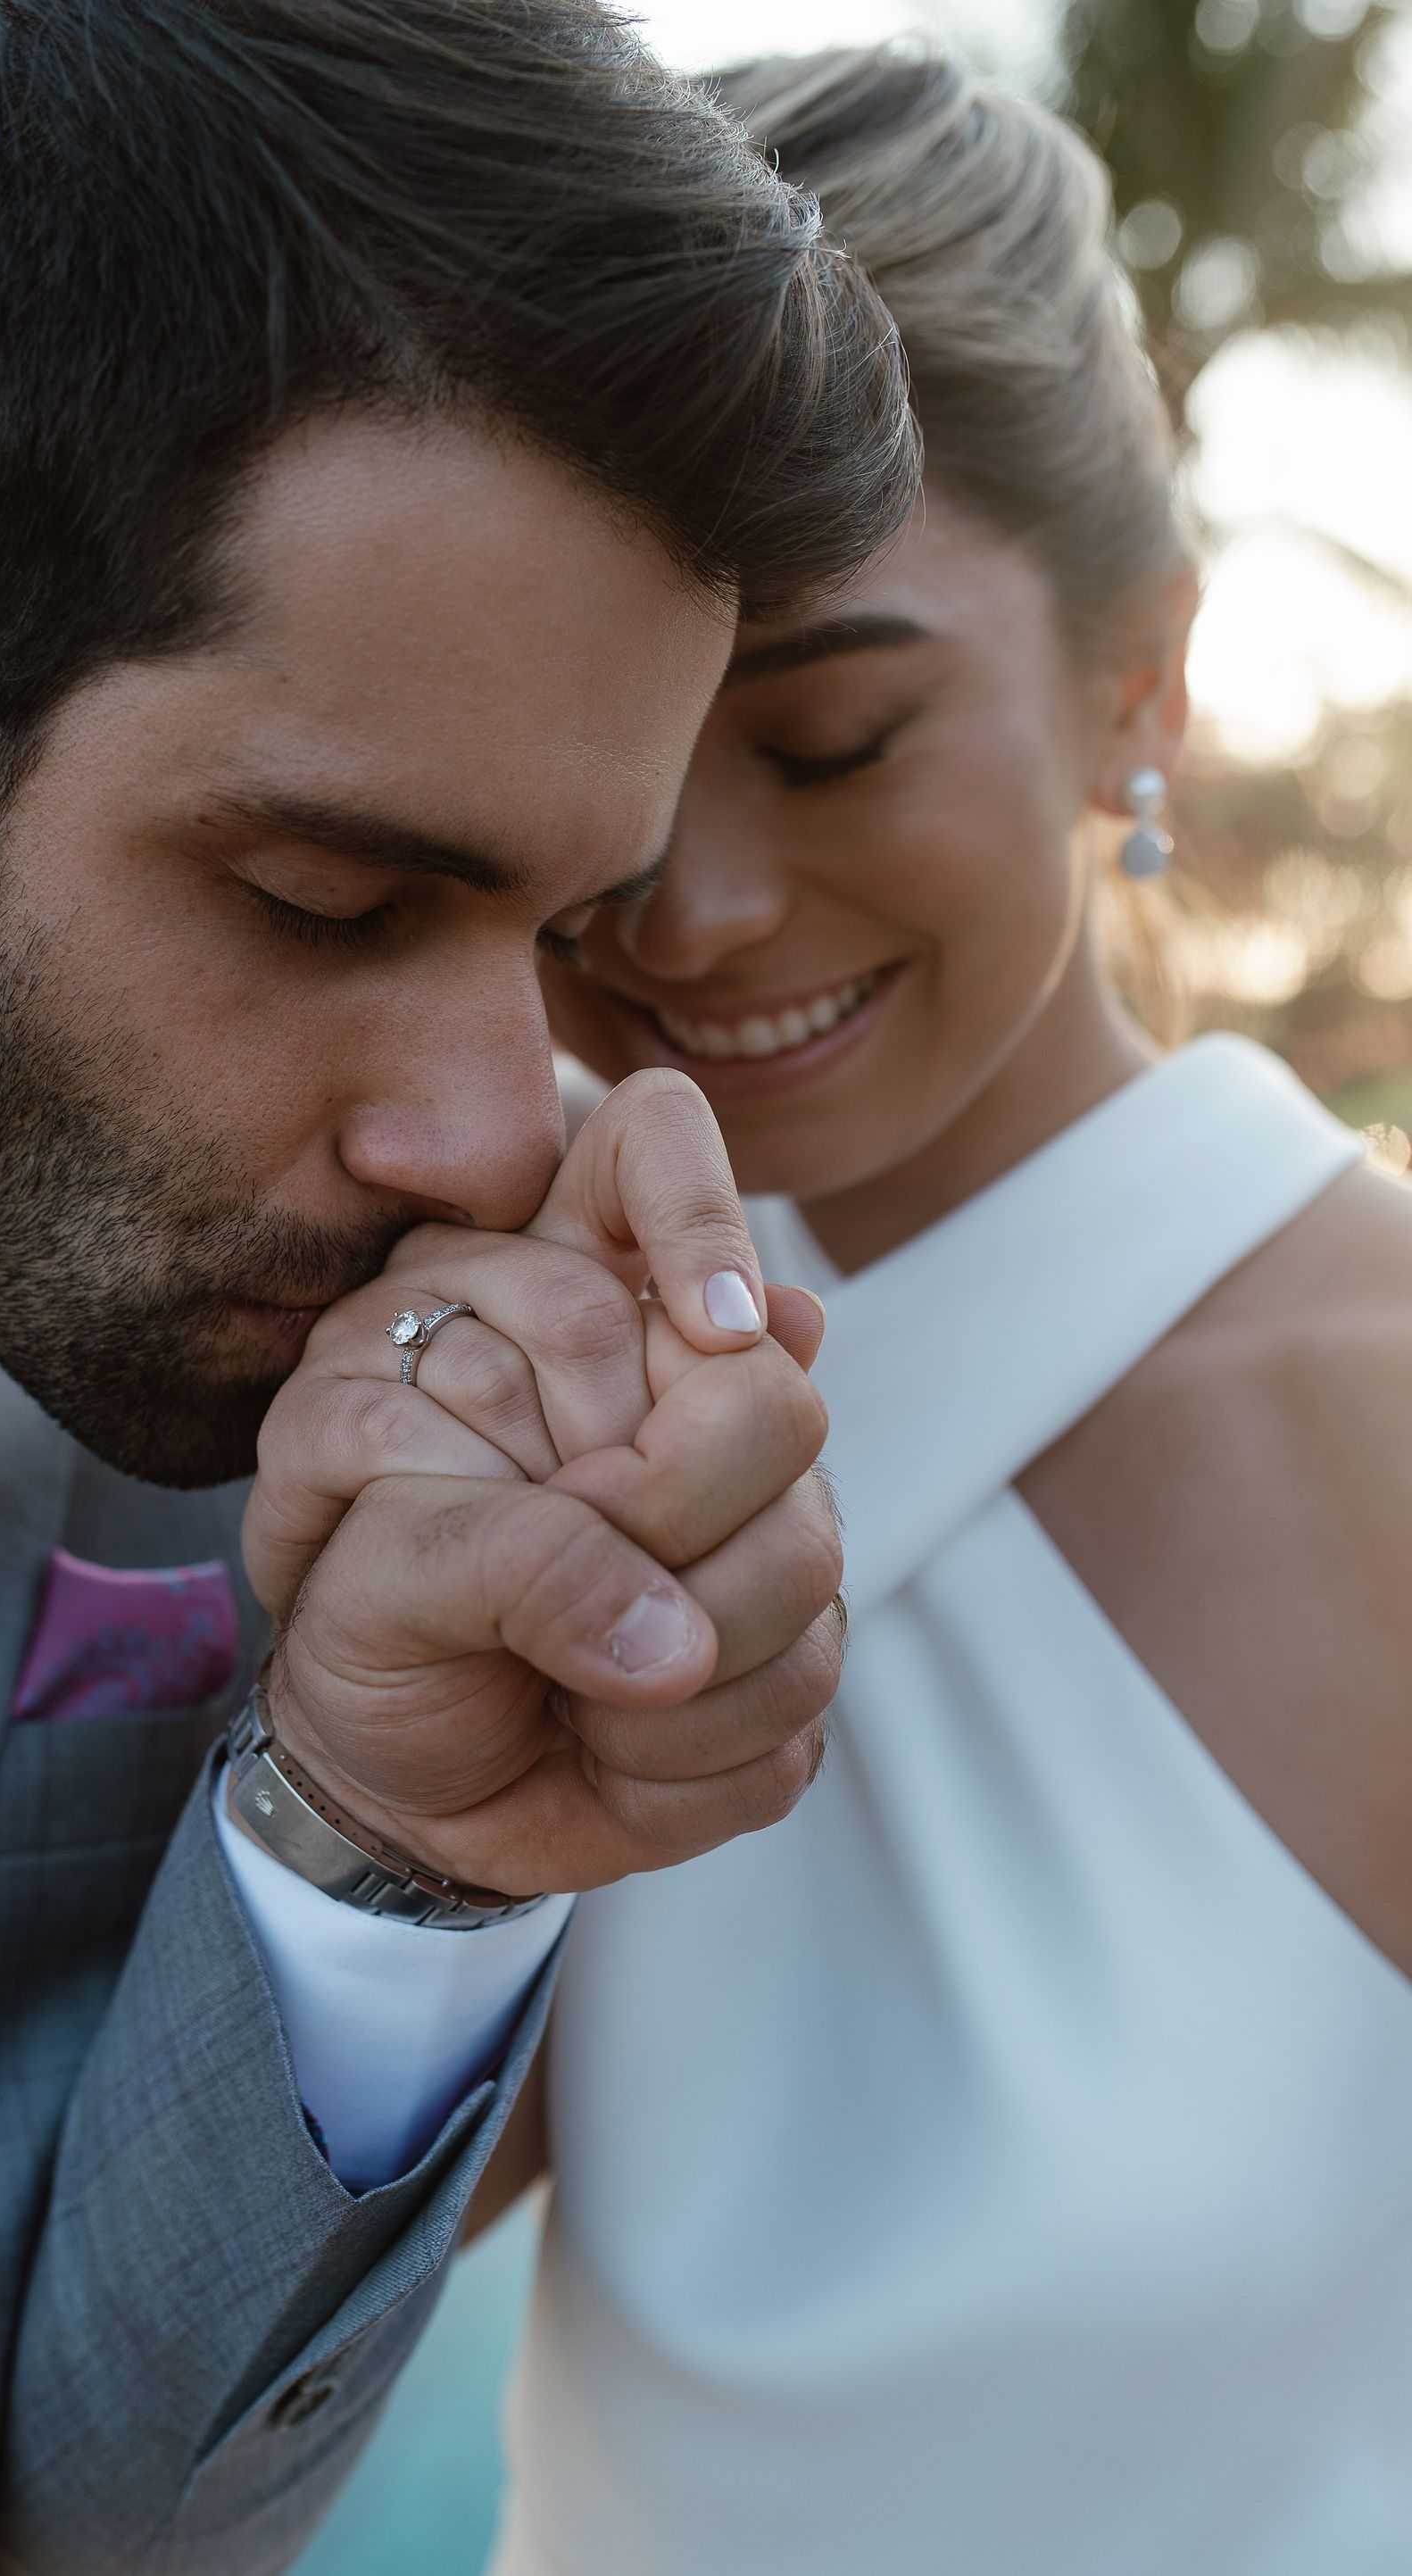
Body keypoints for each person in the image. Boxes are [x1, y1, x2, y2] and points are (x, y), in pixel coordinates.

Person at [0, 3, 917, 2566]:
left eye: (558, 930)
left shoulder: (266, 1421)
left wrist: (385, 1837)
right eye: (329, 902)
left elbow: (69, 2524)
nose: (490, 1128)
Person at [424, 46, 1412, 2576]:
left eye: (841, 735)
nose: (698, 907)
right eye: (613, 769)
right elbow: (221, 2324)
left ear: (1144, 687)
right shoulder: (466, 1370)